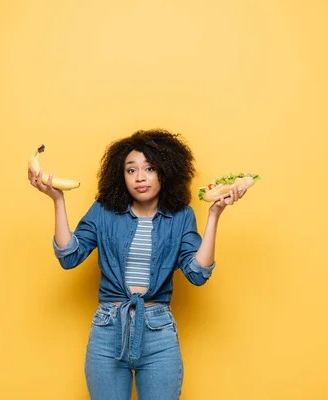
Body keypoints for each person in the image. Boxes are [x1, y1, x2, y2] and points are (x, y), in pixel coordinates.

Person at [27, 129, 249, 400]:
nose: (140, 177)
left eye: (149, 169)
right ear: (121, 176)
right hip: (108, 330)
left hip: (158, 333)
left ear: (165, 173)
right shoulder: (103, 211)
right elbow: (69, 256)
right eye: (131, 170)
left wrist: (214, 215)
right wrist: (58, 201)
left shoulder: (181, 216)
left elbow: (198, 273)